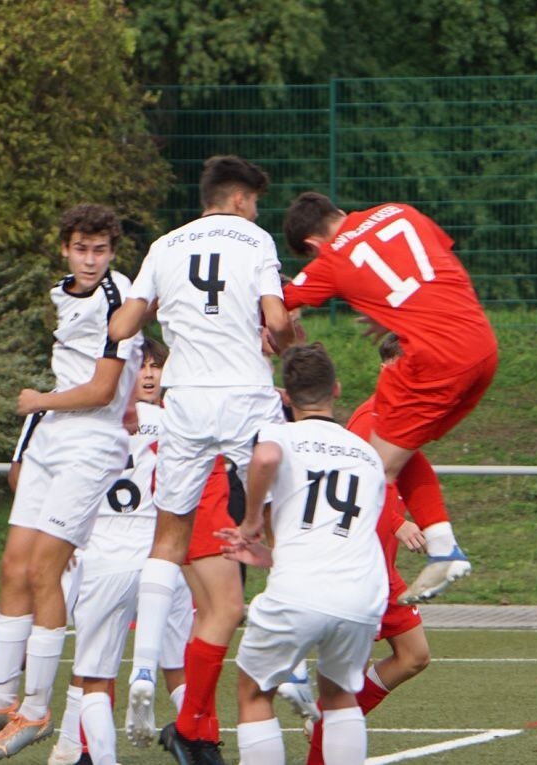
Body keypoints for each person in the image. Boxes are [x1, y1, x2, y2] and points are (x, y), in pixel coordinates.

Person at [0, 204, 142, 762]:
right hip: (51, 437)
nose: (90, 259)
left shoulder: (118, 296)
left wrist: (40, 400)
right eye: (81, 249)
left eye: (100, 250)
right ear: (65, 249)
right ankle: (1, 697)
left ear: (113, 252)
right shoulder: (62, 292)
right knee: (13, 566)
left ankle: (36, 706)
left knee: (46, 570)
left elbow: (102, 391)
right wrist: (49, 411)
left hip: (89, 444)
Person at [108, 155, 296, 764]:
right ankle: (292, 663)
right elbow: (275, 318)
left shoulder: (165, 245)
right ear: (240, 199)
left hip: (185, 398)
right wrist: (284, 340)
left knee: (169, 537)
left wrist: (145, 310)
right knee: (285, 514)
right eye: (255, 202)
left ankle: (143, 671)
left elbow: (124, 325)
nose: (256, 212)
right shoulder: (255, 240)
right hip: (245, 394)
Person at [281, 192, 496, 603]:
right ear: (337, 212)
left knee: (369, 468)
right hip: (482, 347)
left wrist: (283, 325)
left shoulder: (333, 258)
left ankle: (330, 577)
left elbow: (280, 303)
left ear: (311, 244)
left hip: (434, 361)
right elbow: (430, 269)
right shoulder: (400, 211)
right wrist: (394, 312)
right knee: (400, 448)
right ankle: (442, 547)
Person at [217, 343, 388, 765]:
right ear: (337, 388)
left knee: (254, 691)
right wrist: (274, 556)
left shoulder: (281, 433)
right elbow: (343, 535)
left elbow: (265, 457)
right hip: (360, 592)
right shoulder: (367, 454)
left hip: (300, 591)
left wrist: (251, 522)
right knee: (341, 695)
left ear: (285, 396)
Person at [294, 334, 445, 764]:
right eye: (409, 364)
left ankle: (327, 721)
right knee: (343, 684)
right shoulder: (370, 419)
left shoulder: (401, 418)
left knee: (414, 656)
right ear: (388, 367)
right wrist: (399, 524)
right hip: (360, 567)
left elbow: (409, 476)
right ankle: (326, 732)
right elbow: (352, 489)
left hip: (382, 571)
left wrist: (435, 529)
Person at [46, 337, 195, 765]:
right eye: (142, 366)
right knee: (178, 663)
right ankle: (198, 739)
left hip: (104, 554)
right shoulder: (175, 423)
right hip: (162, 557)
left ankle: (84, 751)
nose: (148, 374)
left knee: (92, 670)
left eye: (155, 366)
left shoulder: (95, 423)